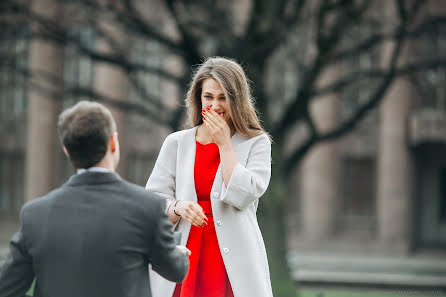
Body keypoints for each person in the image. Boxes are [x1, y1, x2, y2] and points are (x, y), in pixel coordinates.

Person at [0, 101, 190, 297]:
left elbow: (6, 289)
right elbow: (176, 270)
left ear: (66, 149)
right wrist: (178, 252)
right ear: (113, 142)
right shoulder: (148, 207)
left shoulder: (35, 214)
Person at [146, 57, 273, 297]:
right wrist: (178, 207)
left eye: (223, 97)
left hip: (233, 262)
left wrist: (225, 145)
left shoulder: (257, 143)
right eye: (209, 97)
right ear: (198, 98)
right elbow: (152, 202)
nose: (215, 106)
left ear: (237, 99)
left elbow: (244, 195)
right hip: (186, 253)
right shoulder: (176, 143)